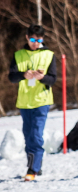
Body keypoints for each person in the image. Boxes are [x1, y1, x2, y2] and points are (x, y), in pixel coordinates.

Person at [8, 24, 57, 182]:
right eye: (32, 39)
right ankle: (36, 164)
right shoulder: (18, 55)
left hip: (42, 101)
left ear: (42, 39)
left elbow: (53, 79)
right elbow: (11, 77)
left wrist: (42, 78)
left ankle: (33, 169)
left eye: (39, 39)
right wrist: (23, 75)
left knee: (36, 135)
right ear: (27, 38)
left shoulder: (49, 55)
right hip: (24, 102)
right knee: (28, 136)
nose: (35, 42)